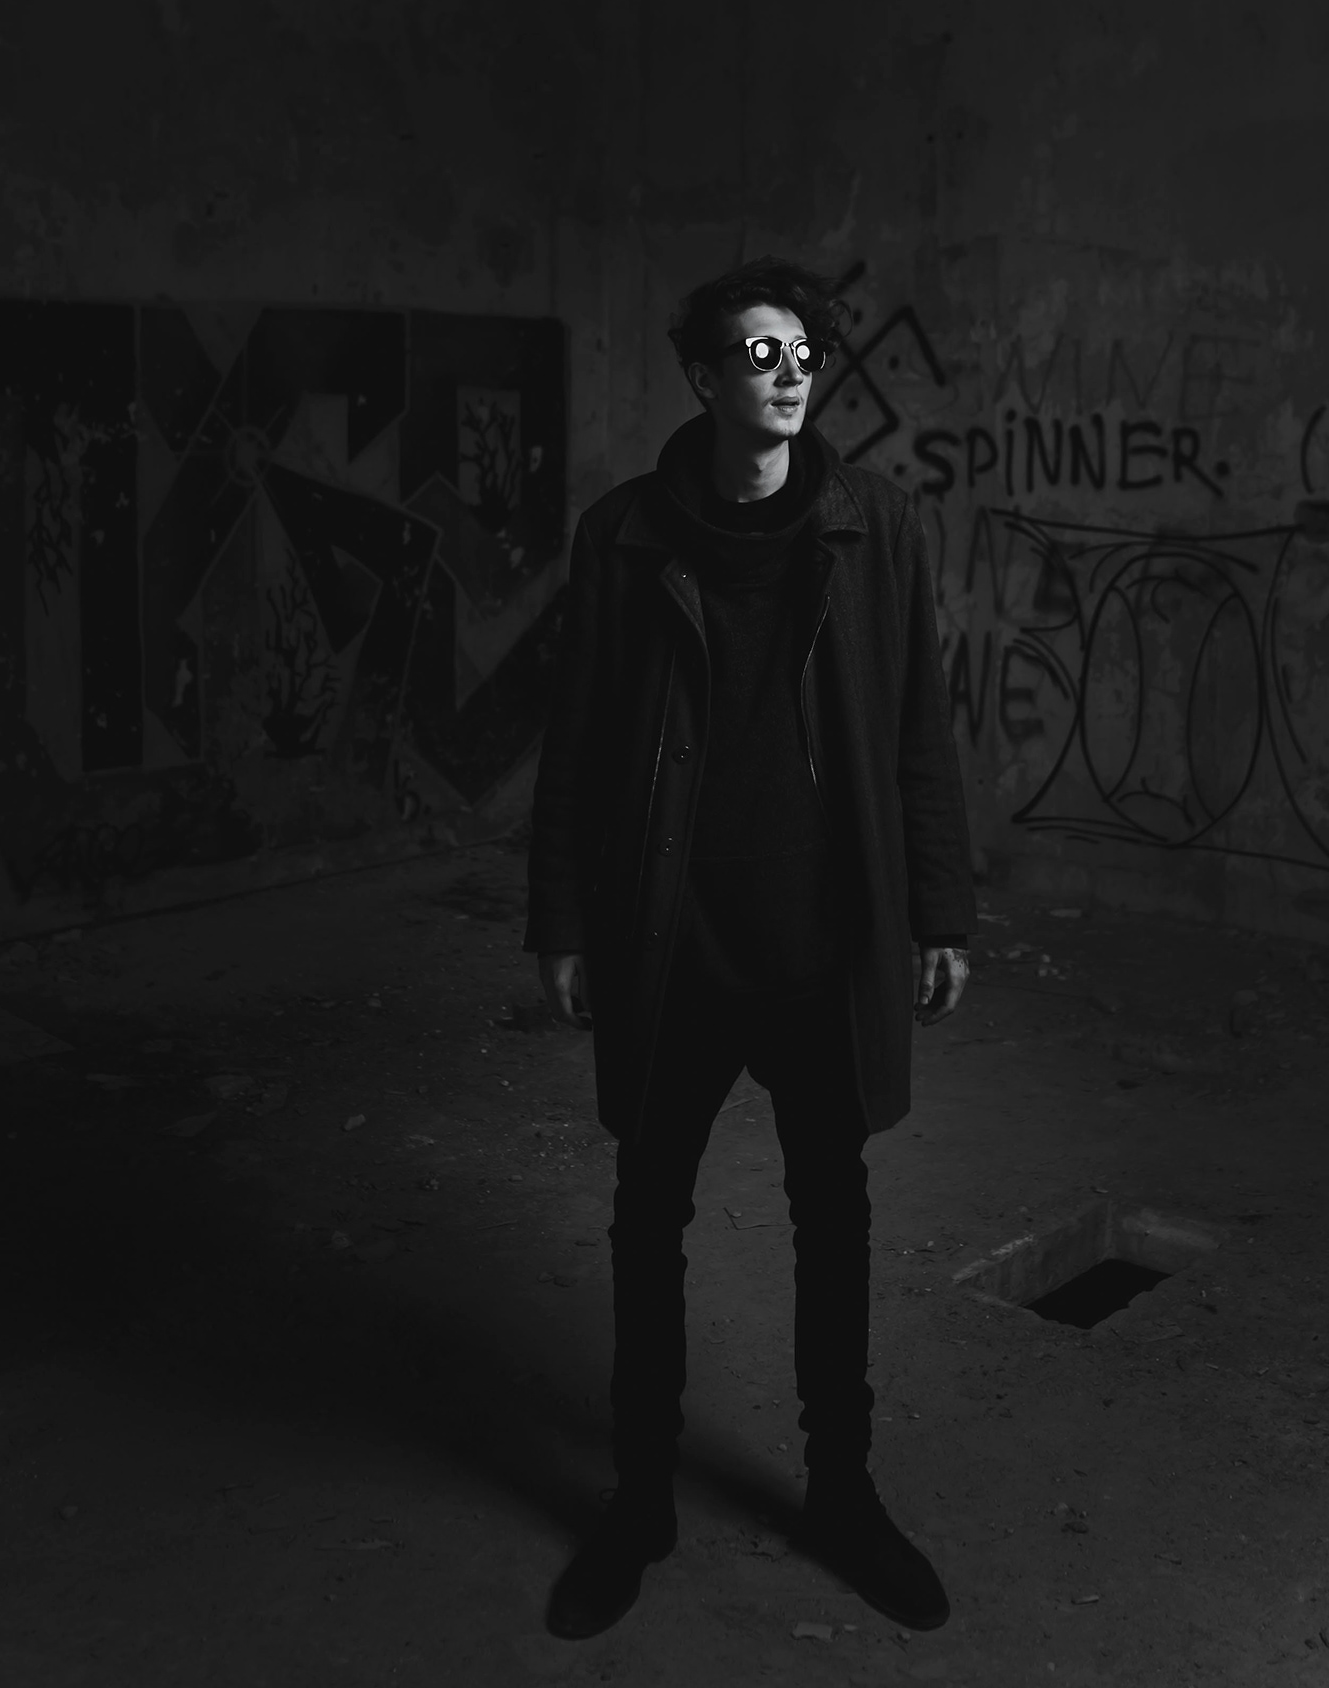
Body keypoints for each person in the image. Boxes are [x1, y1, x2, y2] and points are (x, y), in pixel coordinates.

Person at [524, 256, 974, 1640]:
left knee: (833, 1220)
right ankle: (639, 1503)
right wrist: (562, 922)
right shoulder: (623, 537)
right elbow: (577, 744)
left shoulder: (875, 528)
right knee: (646, 1220)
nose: (788, 375)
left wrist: (942, 911)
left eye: (803, 355)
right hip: (674, 944)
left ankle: (842, 1491)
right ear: (704, 378)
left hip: (820, 947)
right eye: (758, 354)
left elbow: (918, 729)